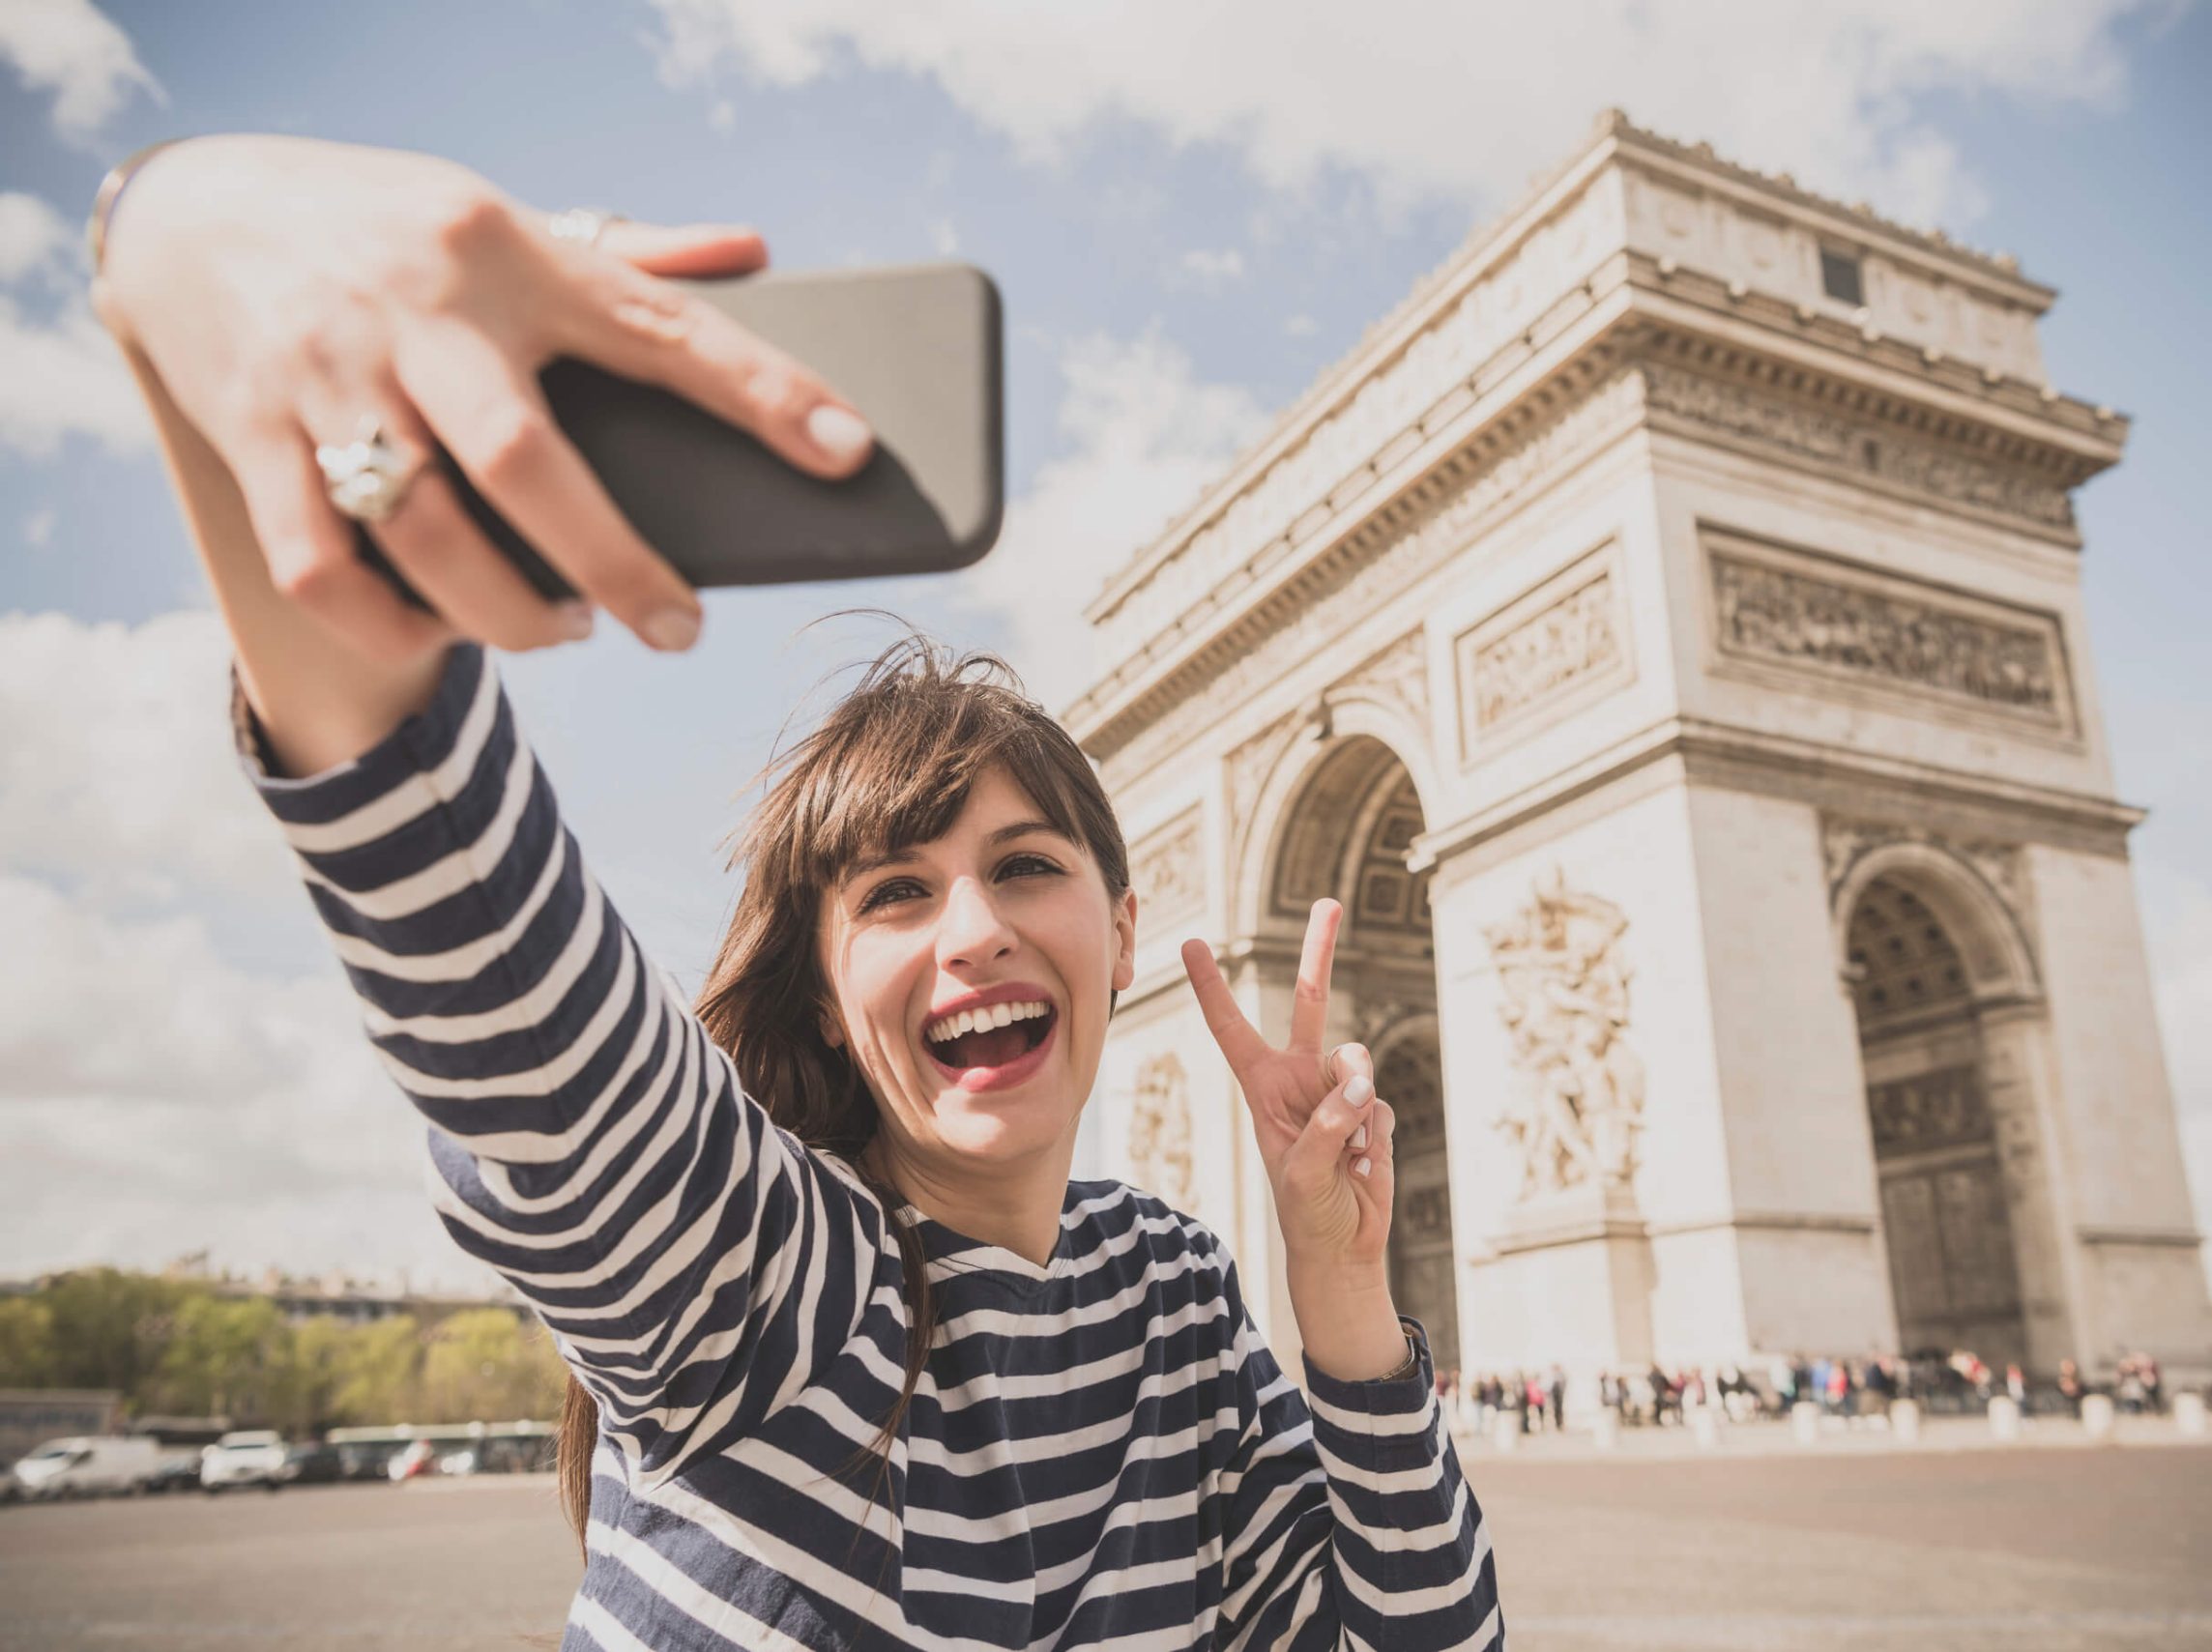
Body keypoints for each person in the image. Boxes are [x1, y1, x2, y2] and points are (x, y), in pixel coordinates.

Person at [91, 131, 1503, 1651]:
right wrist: (175, 235)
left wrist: (1345, 1310)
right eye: (895, 893)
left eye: (1027, 866)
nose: (975, 929)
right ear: (827, 1006)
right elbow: (509, 1001)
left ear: (1124, 936)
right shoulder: (759, 1270)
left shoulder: (1174, 1296)